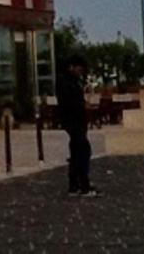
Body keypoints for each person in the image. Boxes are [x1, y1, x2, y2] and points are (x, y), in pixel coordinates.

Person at [56, 54, 98, 197]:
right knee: (83, 151)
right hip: (73, 120)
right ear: (72, 67)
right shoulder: (65, 82)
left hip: (76, 120)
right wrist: (83, 106)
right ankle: (83, 185)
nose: (81, 72)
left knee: (76, 152)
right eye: (79, 69)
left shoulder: (73, 81)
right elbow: (69, 102)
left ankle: (75, 185)